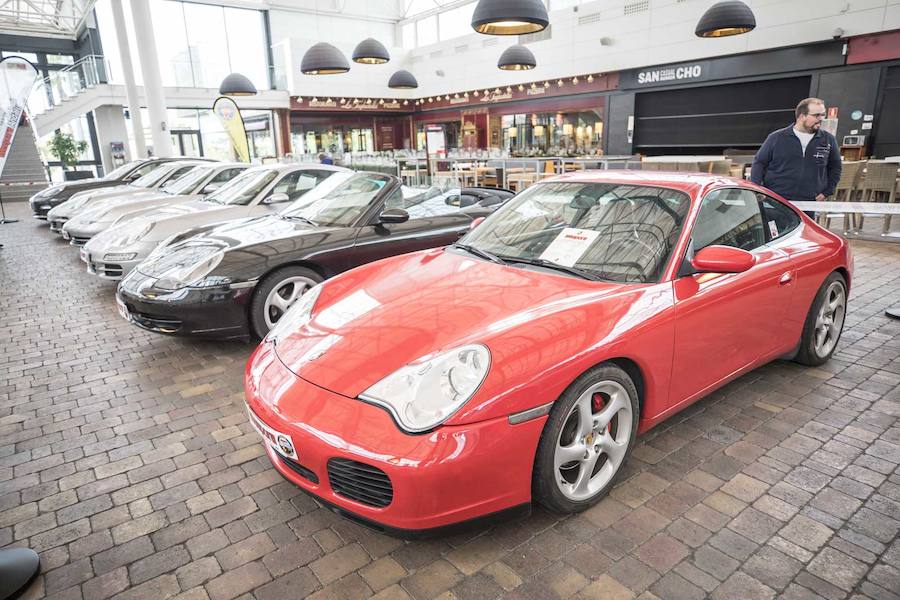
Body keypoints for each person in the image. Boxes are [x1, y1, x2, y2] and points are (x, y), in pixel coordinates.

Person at [751, 97, 841, 219]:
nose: (821, 119)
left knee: (805, 235)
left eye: (823, 115)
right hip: (776, 200)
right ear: (801, 116)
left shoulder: (827, 139)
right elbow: (759, 162)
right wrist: (757, 189)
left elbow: (835, 167)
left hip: (809, 202)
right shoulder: (777, 138)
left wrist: (828, 191)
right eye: (816, 115)